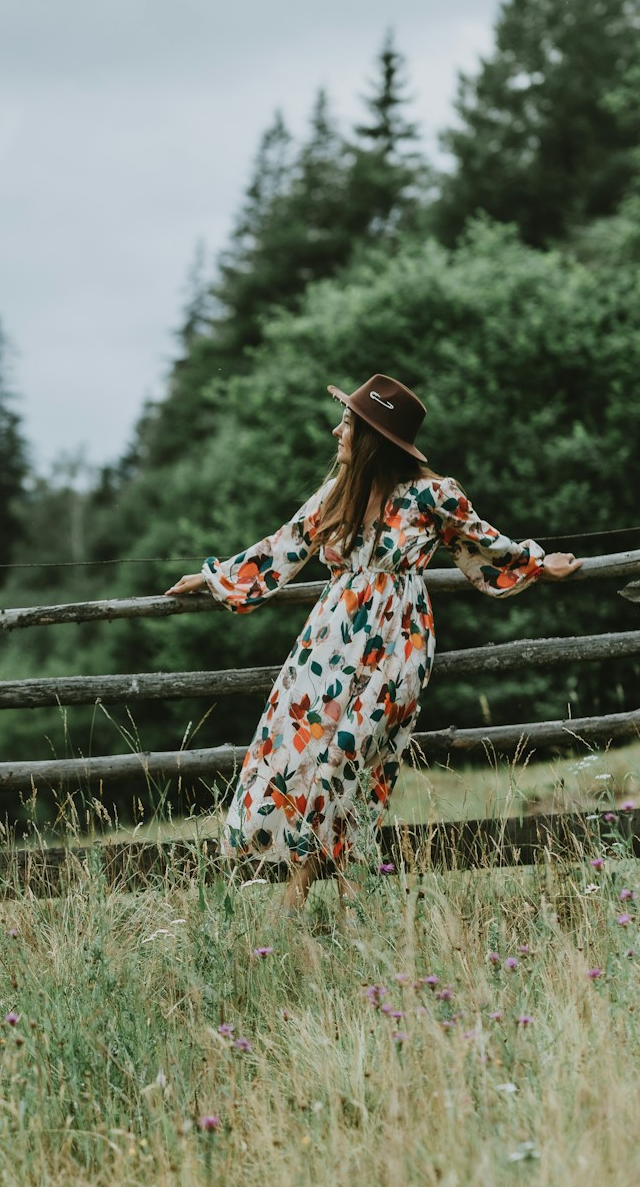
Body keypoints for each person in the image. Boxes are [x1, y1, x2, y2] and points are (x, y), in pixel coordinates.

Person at [164, 374, 581, 909]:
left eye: (348, 423)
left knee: (353, 759)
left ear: (372, 438)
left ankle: (312, 896)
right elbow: (283, 548)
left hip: (398, 641)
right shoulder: (338, 494)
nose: (337, 431)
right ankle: (340, 901)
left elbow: (487, 545)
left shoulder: (434, 496)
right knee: (300, 750)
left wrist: (541, 564)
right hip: (328, 642)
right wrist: (216, 576)